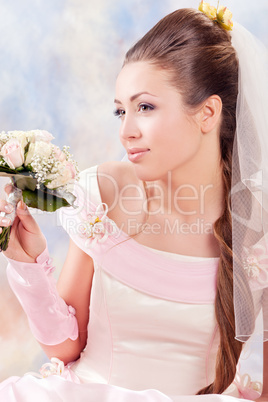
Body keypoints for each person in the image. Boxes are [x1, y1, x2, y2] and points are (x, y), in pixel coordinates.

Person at [0, 4, 267, 401]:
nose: (126, 131)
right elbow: (66, 347)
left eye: (145, 107)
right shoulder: (105, 194)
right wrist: (27, 263)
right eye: (120, 110)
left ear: (208, 112)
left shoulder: (256, 231)